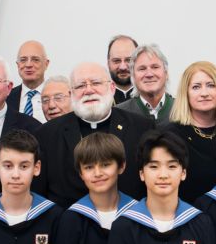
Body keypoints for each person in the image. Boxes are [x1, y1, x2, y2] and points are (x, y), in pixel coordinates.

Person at [34, 62, 148, 202]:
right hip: (69, 220)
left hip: (129, 219)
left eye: (95, 83)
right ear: (71, 93)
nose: (88, 90)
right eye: (80, 86)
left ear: (112, 88)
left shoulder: (141, 128)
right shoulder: (47, 135)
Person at [165, 59, 216, 203]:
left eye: (211, 85)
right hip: (188, 216)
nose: (204, 93)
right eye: (196, 87)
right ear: (186, 93)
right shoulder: (169, 135)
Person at [129, 44, 175, 121]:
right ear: (133, 76)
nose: (149, 74)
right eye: (142, 69)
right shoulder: (119, 113)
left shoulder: (183, 110)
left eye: (155, 67)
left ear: (166, 73)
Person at [14, 40, 51, 121]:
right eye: (23, 60)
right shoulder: (6, 97)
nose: (28, 65)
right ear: (17, 65)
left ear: (46, 64)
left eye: (35, 59)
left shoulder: (58, 98)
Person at [107, 34, 139, 102]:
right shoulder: (100, 100)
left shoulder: (152, 98)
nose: (123, 67)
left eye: (129, 60)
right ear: (108, 64)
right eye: (116, 61)